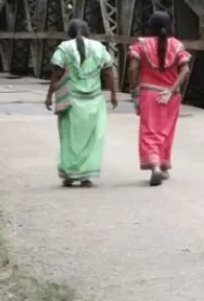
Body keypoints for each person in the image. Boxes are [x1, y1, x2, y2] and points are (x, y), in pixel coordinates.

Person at [45, 19, 118, 187]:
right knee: (92, 138)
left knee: (69, 138)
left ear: (69, 33)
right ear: (87, 32)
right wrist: (113, 95)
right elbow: (108, 73)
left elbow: (56, 74)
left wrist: (49, 95)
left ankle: (69, 174)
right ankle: (86, 175)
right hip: (94, 100)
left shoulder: (64, 48)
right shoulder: (99, 48)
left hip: (71, 101)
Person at [127, 11, 192, 186]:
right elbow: (185, 70)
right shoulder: (177, 45)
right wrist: (171, 90)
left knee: (149, 130)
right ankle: (163, 166)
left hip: (149, 93)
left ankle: (154, 164)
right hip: (171, 96)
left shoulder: (141, 44)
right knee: (166, 130)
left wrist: (133, 86)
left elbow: (133, 67)